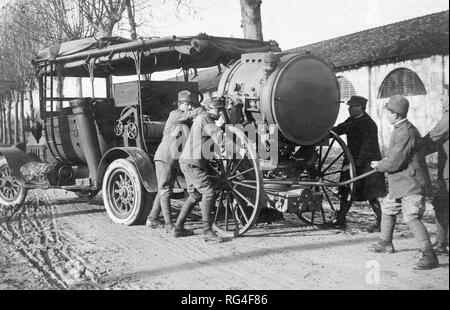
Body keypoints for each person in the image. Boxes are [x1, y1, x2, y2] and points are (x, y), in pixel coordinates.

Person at [369, 95, 438, 270]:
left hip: (411, 182)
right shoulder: (401, 128)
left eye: (387, 112)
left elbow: (395, 162)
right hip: (400, 181)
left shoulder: (405, 132)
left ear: (395, 114)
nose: (386, 115)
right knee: (388, 208)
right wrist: (386, 161)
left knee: (411, 216)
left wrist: (380, 165)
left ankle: (430, 256)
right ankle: (385, 242)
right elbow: (397, 157)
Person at [146, 90, 204, 232]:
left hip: (173, 159)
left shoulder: (185, 120)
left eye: (191, 104)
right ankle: (168, 225)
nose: (189, 107)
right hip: (165, 157)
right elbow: (189, 115)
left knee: (163, 189)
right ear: (179, 104)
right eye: (187, 104)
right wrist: (200, 110)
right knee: (165, 190)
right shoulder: (175, 114)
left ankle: (152, 219)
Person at [173, 97, 226, 242]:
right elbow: (218, 136)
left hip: (187, 161)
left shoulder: (203, 118)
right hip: (192, 163)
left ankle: (178, 228)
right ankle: (207, 231)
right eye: (217, 109)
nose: (220, 112)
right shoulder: (205, 118)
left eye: (221, 109)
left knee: (195, 195)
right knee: (208, 193)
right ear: (208, 108)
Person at [331, 95, 386, 230]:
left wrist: (353, 165)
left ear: (361, 107)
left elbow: (367, 148)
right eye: (349, 106)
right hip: (353, 159)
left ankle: (382, 223)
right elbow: (339, 129)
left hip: (367, 163)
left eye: (352, 106)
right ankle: (340, 219)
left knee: (372, 194)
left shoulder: (368, 123)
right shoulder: (353, 119)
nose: (349, 109)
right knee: (345, 190)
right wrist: (321, 130)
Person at [422, 83, 449, 255]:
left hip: (448, 173)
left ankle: (441, 243)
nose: (441, 99)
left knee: (441, 205)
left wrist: (410, 149)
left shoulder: (447, 119)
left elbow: (431, 140)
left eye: (444, 96)